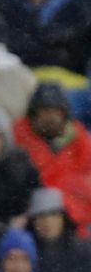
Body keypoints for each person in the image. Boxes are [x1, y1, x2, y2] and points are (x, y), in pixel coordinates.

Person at [11, 83, 91, 227]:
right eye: (45, 110)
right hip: (31, 212)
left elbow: (86, 177)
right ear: (34, 113)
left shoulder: (78, 137)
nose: (51, 117)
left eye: (56, 111)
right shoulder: (17, 136)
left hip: (74, 215)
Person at [0, 0, 91, 71]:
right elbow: (15, 41)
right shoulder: (9, 8)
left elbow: (78, 30)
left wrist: (57, 36)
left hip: (71, 62)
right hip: (31, 64)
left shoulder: (66, 4)